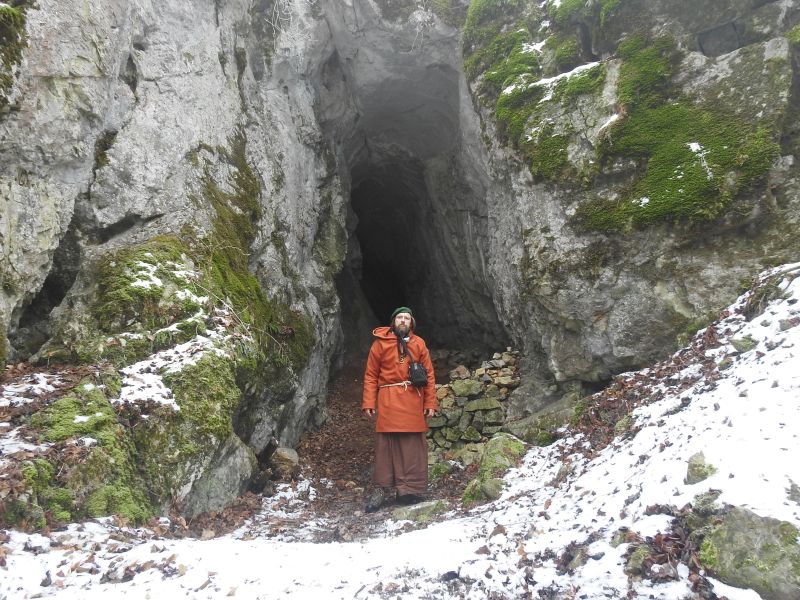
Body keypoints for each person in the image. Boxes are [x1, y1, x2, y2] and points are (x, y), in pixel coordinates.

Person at [361, 307, 438, 512]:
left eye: (406, 318)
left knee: (412, 447)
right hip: (388, 400)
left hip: (413, 400)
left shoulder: (419, 344)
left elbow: (429, 376)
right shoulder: (379, 344)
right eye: (399, 318)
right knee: (386, 446)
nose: (403, 321)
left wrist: (430, 403)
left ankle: (407, 492)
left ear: (411, 323)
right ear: (393, 322)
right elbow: (370, 375)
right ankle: (381, 489)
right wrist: (369, 402)